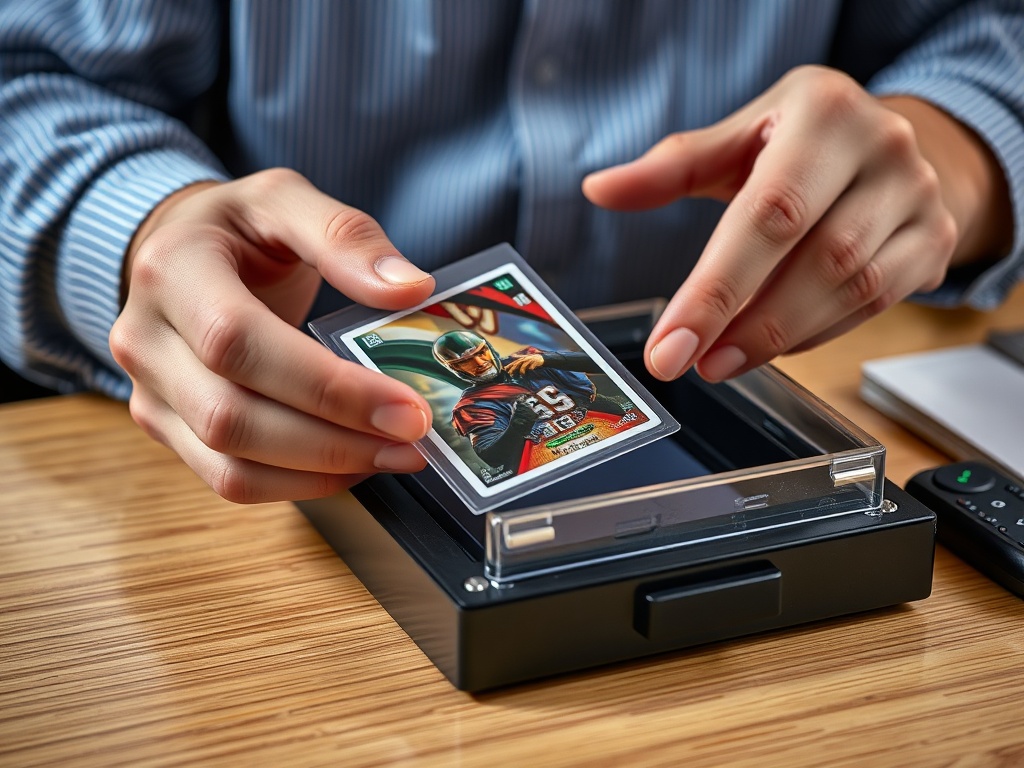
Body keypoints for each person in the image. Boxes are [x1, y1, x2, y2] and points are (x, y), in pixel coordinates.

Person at [0, 2, 1021, 503]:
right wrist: (145, 225)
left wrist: (951, 154)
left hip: (757, 405)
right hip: (280, 476)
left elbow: (989, 28)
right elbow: (25, 75)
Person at [432, 329, 629, 472]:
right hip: (549, 460)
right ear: (455, 368)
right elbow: (492, 456)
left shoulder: (528, 359)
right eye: (465, 361)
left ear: (488, 348)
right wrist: (518, 423)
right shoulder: (471, 405)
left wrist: (549, 359)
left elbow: (605, 363)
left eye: (480, 352)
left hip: (604, 429)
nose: (480, 362)